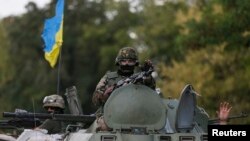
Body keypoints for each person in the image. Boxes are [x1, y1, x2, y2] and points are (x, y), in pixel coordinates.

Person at [92, 47, 156, 131]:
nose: (126, 64)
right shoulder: (109, 78)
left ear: (135, 63)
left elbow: (151, 90)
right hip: (110, 117)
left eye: (130, 61)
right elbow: (95, 101)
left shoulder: (140, 79)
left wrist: (148, 77)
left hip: (135, 118)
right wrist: (105, 95)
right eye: (124, 61)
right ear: (118, 62)